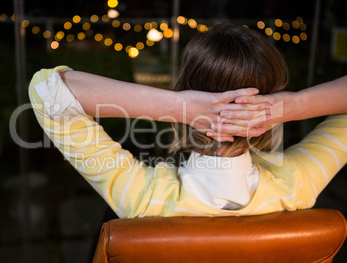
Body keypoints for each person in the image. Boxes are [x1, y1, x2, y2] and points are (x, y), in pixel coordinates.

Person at [28, 24, 347, 218]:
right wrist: (292, 105)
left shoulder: (142, 197)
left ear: (185, 90)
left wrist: (177, 105)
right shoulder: (297, 186)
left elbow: (46, 90)